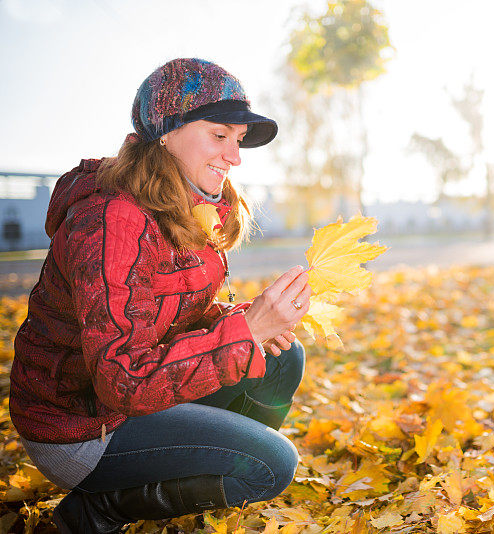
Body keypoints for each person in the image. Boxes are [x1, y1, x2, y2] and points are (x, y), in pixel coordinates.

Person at [10, 58, 312, 533]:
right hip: (82, 429)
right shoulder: (114, 219)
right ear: (165, 133)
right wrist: (245, 331)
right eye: (219, 135)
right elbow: (121, 378)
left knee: (280, 357)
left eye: (237, 141)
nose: (234, 157)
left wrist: (245, 320)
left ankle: (191, 467)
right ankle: (100, 508)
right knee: (272, 464)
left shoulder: (186, 203)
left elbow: (167, 316)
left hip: (132, 403)